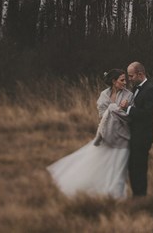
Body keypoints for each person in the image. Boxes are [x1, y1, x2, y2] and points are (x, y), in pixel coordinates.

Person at [47, 69, 134, 199]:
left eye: (125, 80)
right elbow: (102, 114)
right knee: (103, 166)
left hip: (123, 137)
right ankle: (102, 192)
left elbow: (128, 116)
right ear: (114, 81)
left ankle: (118, 196)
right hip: (106, 135)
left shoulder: (129, 95)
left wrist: (114, 109)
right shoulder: (104, 95)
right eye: (122, 80)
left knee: (119, 169)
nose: (125, 82)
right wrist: (115, 109)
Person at [120, 61, 153, 197]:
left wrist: (127, 109)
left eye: (131, 76)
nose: (129, 79)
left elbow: (146, 114)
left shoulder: (150, 90)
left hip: (142, 137)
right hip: (134, 135)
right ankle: (137, 196)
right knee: (133, 168)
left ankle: (140, 198)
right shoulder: (136, 88)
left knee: (139, 169)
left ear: (140, 74)